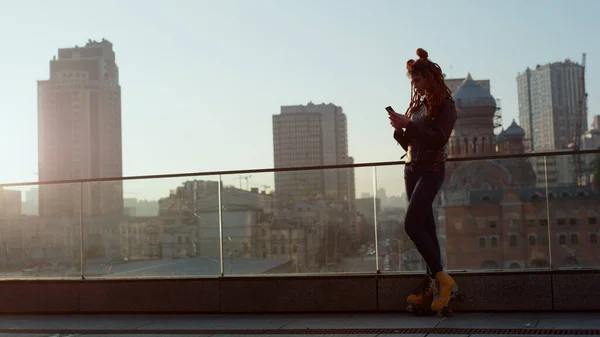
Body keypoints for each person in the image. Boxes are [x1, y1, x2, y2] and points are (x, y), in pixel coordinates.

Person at [388, 48, 458, 313]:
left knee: (411, 223)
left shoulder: (446, 106)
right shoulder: (418, 106)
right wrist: (400, 130)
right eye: (412, 80)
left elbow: (439, 138)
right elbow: (412, 140)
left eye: (417, 79)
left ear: (431, 77)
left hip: (432, 168)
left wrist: (410, 124)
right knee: (426, 227)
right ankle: (434, 285)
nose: (414, 84)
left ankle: (442, 278)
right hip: (412, 168)